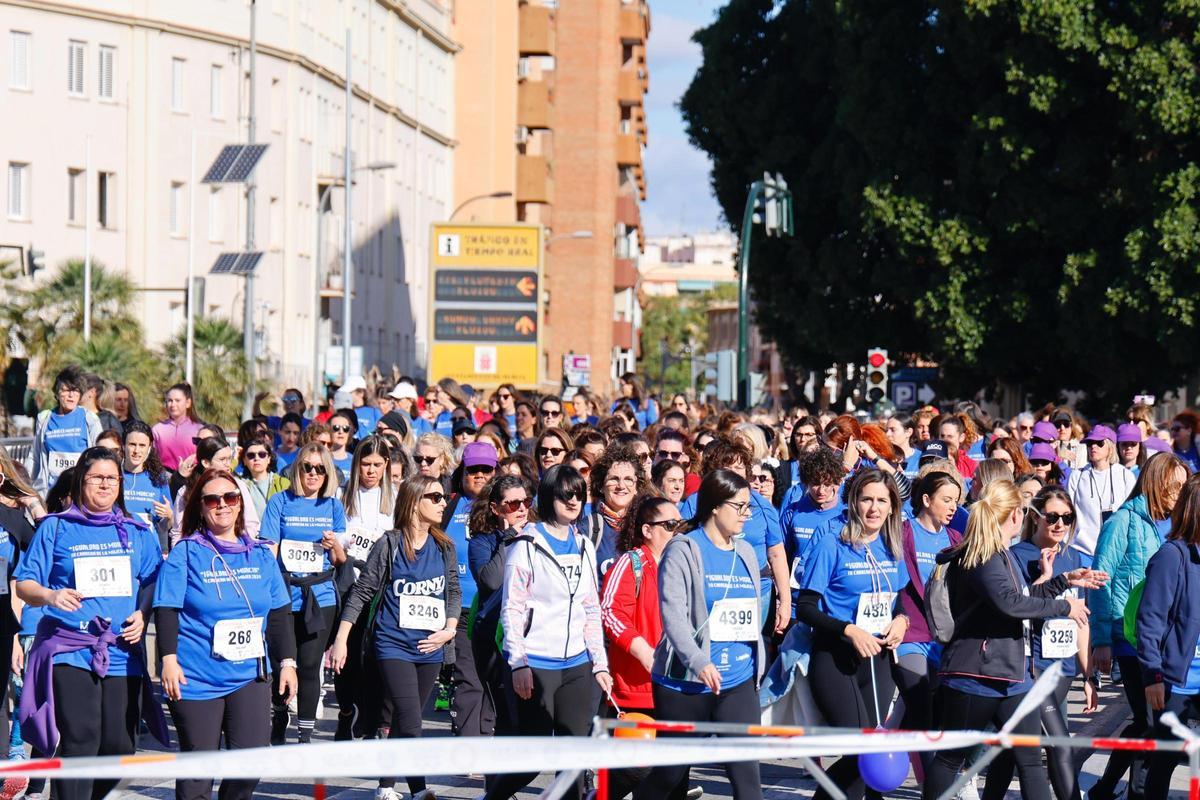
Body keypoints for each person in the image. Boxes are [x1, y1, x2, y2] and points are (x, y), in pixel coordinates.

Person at [924, 479, 1103, 800]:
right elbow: (1010, 604)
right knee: (952, 758)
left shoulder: (1000, 555)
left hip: (1011, 676)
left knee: (1031, 760)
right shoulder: (982, 555)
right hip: (974, 676)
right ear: (1017, 515)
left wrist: (1062, 581)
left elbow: (1021, 596)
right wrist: (1064, 604)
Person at [15, 447, 165, 800]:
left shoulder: (136, 531)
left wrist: (143, 613)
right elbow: (24, 583)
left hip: (120, 649)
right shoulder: (56, 527)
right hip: (70, 647)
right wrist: (51, 596)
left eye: (112, 478)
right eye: (97, 476)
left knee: (118, 743)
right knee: (81, 737)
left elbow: (154, 581)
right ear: (82, 480)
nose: (105, 484)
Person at [154, 467, 298, 800]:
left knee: (250, 762)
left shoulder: (262, 554)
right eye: (212, 499)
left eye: (230, 497)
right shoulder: (186, 553)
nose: (222, 504)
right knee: (197, 773)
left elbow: (279, 613)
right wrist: (168, 660)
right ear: (200, 507)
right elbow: (166, 610)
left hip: (249, 674)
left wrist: (287, 662)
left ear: (240, 504)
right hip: (196, 677)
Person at [482, 465, 611, 800]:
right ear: (550, 496)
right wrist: (519, 663)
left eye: (579, 495)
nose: (573, 501)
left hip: (577, 665)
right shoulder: (527, 544)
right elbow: (512, 608)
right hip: (537, 664)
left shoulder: (584, 545)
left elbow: (591, 608)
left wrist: (599, 663)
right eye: (565, 494)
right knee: (532, 761)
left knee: (573, 760)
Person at [635, 470, 765, 800]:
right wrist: (699, 661)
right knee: (670, 777)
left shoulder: (747, 552)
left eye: (749, 507)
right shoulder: (684, 549)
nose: (746, 515)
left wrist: (754, 664)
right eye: (740, 507)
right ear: (715, 507)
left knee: (748, 782)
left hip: (737, 682)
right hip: (685, 684)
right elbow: (673, 616)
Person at [331, 476, 460, 800]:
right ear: (415, 502)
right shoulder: (389, 544)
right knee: (411, 718)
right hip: (393, 644)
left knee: (404, 721)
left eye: (443, 497)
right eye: (435, 497)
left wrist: (450, 627)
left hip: (431, 647)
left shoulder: (445, 546)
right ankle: (420, 790)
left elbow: (453, 592)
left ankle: (385, 786)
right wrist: (342, 640)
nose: (443, 502)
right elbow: (362, 593)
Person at [798, 469, 908, 800]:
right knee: (863, 752)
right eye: (866, 499)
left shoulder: (892, 545)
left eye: (881, 501)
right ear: (853, 502)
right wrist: (848, 629)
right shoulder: (832, 543)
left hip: (878, 662)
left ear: (892, 507)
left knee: (868, 761)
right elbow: (805, 608)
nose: (874, 508)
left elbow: (901, 597)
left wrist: (901, 619)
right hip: (836, 658)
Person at [1089, 452, 1188, 800]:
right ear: (1155, 482)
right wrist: (1101, 639)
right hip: (1130, 637)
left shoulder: (1179, 524)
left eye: (1183, 486)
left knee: (1147, 723)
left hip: (1166, 642)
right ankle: (1138, 793)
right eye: (1173, 485)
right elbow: (1100, 578)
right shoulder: (1124, 521)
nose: (1178, 492)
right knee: (1150, 724)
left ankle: (1103, 788)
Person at [993, 486, 1095, 800]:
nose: (1060, 524)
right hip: (1032, 666)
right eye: (1052, 517)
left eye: (1067, 517)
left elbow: (1080, 617)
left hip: (1063, 667)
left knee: (1017, 748)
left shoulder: (1074, 556)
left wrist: (1088, 674)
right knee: (1059, 743)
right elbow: (1018, 606)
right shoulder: (1017, 555)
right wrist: (1046, 577)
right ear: (1036, 517)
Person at [260, 443, 348, 744]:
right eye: (307, 467)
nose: (313, 473)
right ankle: (279, 715)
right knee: (283, 661)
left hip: (320, 595)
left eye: (320, 468)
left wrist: (333, 545)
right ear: (297, 469)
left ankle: (305, 736)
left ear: (328, 474)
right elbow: (270, 551)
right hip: (285, 594)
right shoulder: (279, 502)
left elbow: (340, 559)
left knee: (310, 664)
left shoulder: (334, 506)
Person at [600, 495, 686, 800]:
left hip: (678, 688)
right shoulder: (631, 562)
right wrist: (644, 651)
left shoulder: (685, 566)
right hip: (637, 690)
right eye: (670, 525)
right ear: (647, 530)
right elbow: (610, 611)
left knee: (675, 779)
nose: (678, 531)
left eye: (680, 525)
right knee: (633, 775)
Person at [1136, 473, 1200, 799]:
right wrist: (1153, 675)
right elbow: (1149, 621)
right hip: (1177, 680)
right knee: (1163, 762)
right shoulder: (1171, 556)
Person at [894, 471, 962, 765]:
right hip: (910, 634)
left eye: (956, 502)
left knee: (931, 713)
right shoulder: (902, 532)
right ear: (925, 499)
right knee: (920, 705)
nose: (952, 508)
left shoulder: (956, 540)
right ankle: (929, 787)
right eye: (946, 500)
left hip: (943, 640)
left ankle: (881, 772)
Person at [468, 473, 533, 773]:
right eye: (513, 503)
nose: (521, 508)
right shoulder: (482, 541)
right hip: (491, 639)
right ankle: (496, 786)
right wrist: (509, 538)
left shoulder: (537, 535)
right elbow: (492, 581)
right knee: (505, 714)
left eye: (526, 502)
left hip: (528, 636)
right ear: (496, 508)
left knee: (524, 717)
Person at [333, 434, 394, 740]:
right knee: (345, 657)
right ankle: (346, 710)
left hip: (380, 589)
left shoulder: (394, 498)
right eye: (365, 464)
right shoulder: (342, 496)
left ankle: (370, 721)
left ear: (386, 465)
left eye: (376, 465)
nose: (370, 471)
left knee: (372, 658)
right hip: (348, 583)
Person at [441, 442, 498, 739]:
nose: (479, 475)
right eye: (473, 469)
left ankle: (487, 736)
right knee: (468, 677)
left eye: (486, 470)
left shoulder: (505, 506)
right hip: (460, 606)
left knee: (492, 677)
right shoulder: (447, 504)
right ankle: (468, 743)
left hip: (496, 607)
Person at [1067, 424, 1135, 564]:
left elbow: (1132, 515)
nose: (1093, 447)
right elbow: (1069, 514)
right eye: (1090, 443)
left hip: (1117, 553)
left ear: (1110, 447)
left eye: (1099, 443)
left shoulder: (1125, 476)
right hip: (1083, 552)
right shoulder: (1077, 476)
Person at [30, 366, 101, 494]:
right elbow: (35, 457)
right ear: (57, 393)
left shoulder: (89, 419)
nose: (71, 395)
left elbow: (100, 455)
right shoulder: (44, 418)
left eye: (76, 391)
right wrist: (26, 487)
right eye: (66, 390)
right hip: (51, 492)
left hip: (79, 490)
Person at [780, 447, 846, 586]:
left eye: (827, 484)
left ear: (838, 482)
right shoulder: (793, 511)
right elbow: (781, 556)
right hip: (797, 595)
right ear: (806, 481)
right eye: (815, 483)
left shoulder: (846, 513)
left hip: (830, 598)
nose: (821, 490)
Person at [586, 446, 647, 579]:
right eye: (614, 478)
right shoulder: (588, 528)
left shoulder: (645, 527)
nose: (621, 485)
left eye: (628, 479)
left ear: (636, 487)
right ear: (601, 486)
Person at [121, 420, 174, 552]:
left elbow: (165, 526)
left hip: (150, 550)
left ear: (149, 448)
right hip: (120, 547)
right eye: (132, 444)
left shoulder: (159, 477)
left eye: (142, 445)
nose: (136, 450)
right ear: (123, 446)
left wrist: (169, 516)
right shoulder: (113, 474)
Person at [152, 383, 204, 474]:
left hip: (192, 477)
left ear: (188, 403)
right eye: (170, 400)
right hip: (164, 478)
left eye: (177, 400)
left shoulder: (199, 429)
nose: (173, 404)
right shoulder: (157, 430)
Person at [240, 435, 290, 519]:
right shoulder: (241, 485)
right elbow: (222, 475)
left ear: (269, 459)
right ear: (244, 460)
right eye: (251, 455)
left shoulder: (283, 483)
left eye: (262, 454)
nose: (256, 458)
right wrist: (234, 459)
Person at [886, 413, 921, 479]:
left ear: (908, 432)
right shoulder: (882, 458)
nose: (887, 434)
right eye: (886, 430)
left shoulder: (921, 458)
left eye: (893, 430)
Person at [328, 409, 359, 478]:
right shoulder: (322, 458)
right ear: (328, 430)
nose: (341, 431)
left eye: (345, 428)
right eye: (336, 428)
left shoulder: (355, 461)